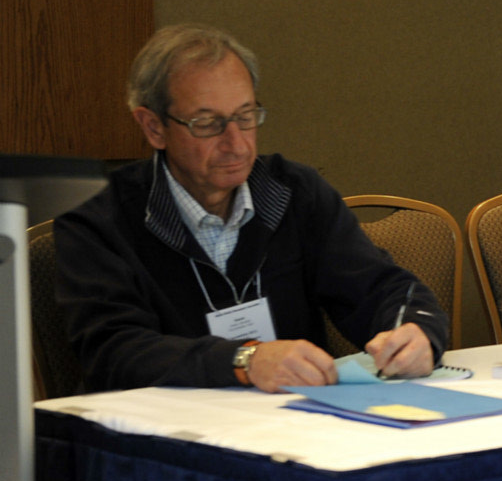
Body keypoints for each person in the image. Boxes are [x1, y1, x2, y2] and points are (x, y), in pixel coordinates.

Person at [53, 24, 448, 394]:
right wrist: (243, 361)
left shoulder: (294, 192)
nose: (237, 144)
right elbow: (114, 352)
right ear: (153, 127)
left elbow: (381, 288)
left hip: (298, 423)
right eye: (208, 123)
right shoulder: (97, 219)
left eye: (245, 117)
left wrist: (415, 332)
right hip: (165, 432)